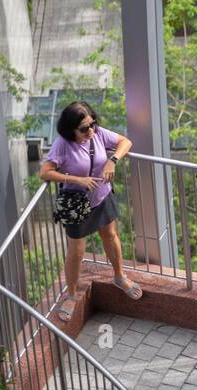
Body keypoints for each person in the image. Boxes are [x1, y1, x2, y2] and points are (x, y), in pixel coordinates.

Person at [39, 100, 142, 321]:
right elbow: (45, 172)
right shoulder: (62, 145)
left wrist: (112, 160)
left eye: (92, 124)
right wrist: (77, 179)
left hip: (102, 196)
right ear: (71, 130)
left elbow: (125, 141)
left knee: (110, 236)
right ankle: (72, 294)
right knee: (76, 251)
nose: (90, 130)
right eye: (84, 128)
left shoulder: (98, 134)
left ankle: (119, 276)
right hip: (77, 204)